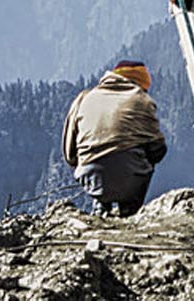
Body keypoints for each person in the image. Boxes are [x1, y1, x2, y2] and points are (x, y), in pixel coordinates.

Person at [62, 60, 168, 216]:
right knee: (141, 159)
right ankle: (130, 210)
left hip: (90, 176)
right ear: (139, 83)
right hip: (130, 176)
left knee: (100, 168)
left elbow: (70, 154)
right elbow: (158, 149)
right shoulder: (142, 100)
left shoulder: (83, 99)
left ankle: (100, 206)